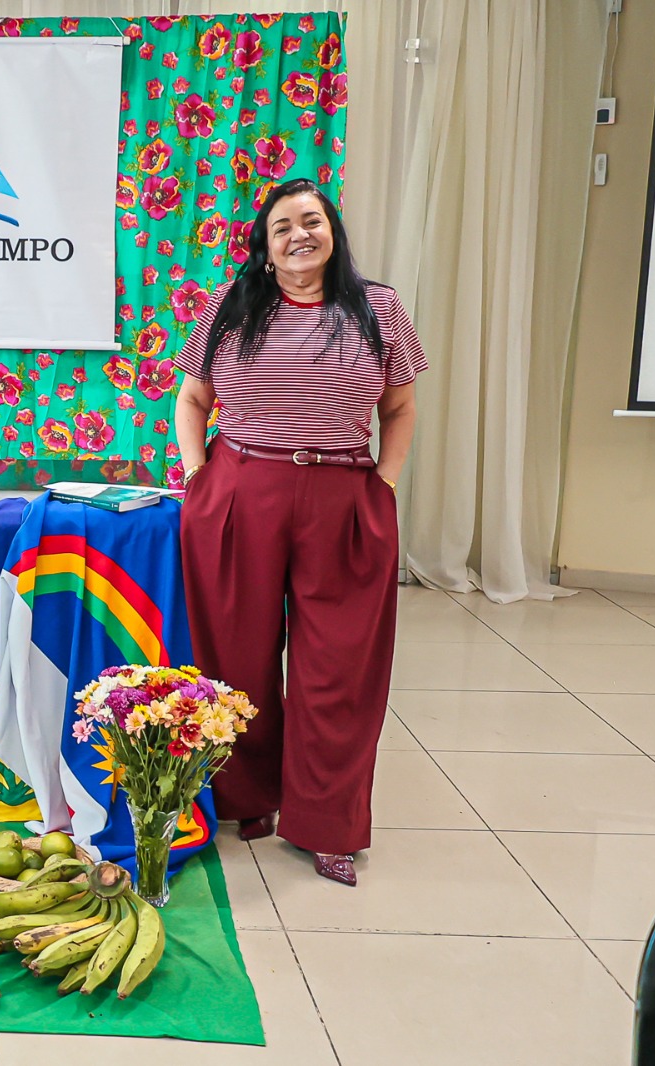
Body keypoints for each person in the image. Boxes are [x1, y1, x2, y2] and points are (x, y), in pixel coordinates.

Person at [172, 178, 426, 887]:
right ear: (265, 246)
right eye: (281, 226)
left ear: (333, 231)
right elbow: (192, 399)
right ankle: (249, 797)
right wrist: (198, 475)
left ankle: (327, 823)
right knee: (237, 655)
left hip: (344, 494)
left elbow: (400, 408)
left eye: (311, 221)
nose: (298, 235)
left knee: (338, 670)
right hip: (242, 487)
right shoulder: (230, 306)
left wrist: (385, 483)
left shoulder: (378, 308)